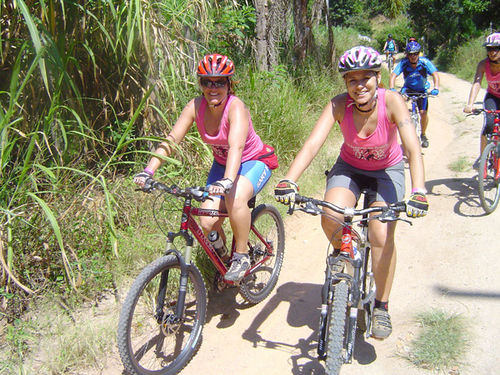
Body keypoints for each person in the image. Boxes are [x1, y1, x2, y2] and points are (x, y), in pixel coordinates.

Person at [274, 46, 428, 340]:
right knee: (330, 214)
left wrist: (419, 191)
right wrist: (290, 180)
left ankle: (381, 305)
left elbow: (412, 148)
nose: (360, 86)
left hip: (387, 171)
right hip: (349, 167)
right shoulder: (338, 105)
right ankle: (346, 250)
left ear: (378, 77)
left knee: (381, 235)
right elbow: (312, 144)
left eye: (366, 78)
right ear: (345, 83)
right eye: (351, 80)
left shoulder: (392, 101)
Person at [134, 53, 276, 282]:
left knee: (235, 198)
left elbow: (236, 147)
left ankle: (242, 255)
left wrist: (228, 181)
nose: (213, 87)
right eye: (206, 81)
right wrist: (148, 171)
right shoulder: (195, 106)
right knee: (208, 221)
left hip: (252, 161)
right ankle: (223, 262)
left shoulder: (235, 107)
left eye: (220, 81)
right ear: (200, 84)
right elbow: (172, 140)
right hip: (222, 164)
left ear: (229, 84)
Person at [389, 41, 440, 148]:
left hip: (422, 90)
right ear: (407, 54)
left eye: (415, 53)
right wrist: (392, 88)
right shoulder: (404, 63)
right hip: (408, 89)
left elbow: (435, 74)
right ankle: (399, 127)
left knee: (423, 113)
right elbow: (393, 75)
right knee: (399, 103)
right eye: (411, 54)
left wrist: (436, 88)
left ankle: (423, 134)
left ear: (419, 53)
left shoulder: (424, 62)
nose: (413, 56)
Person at [463, 32, 500, 168]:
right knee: (489, 125)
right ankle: (483, 159)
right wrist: (470, 104)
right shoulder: (483, 64)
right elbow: (477, 83)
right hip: (493, 97)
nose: (492, 52)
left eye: (496, 48)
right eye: (489, 49)